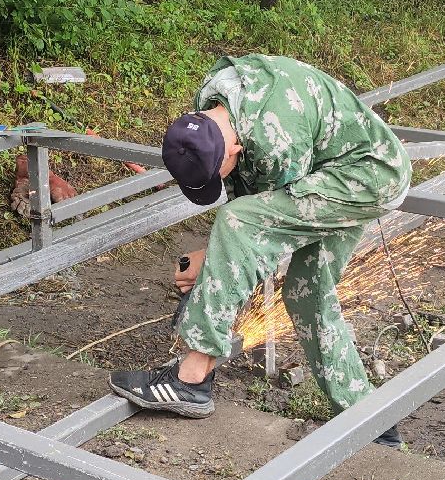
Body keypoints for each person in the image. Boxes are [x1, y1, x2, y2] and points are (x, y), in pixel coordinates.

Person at [109, 54, 413, 447]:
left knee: (237, 226)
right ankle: (371, 420)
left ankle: (192, 378)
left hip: (367, 176)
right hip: (327, 169)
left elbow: (260, 232)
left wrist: (213, 263)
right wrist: (215, 259)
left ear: (233, 147)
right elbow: (254, 207)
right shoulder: (214, 102)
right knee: (307, 293)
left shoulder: (275, 139)